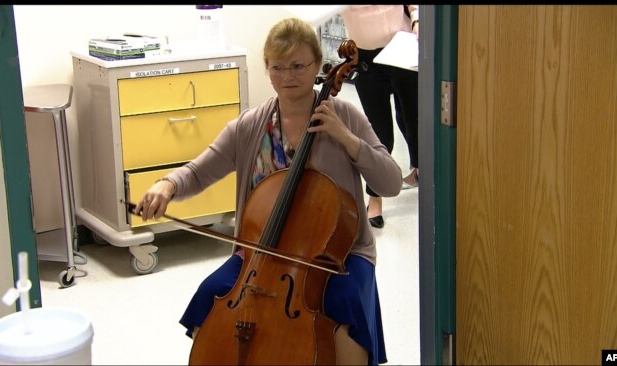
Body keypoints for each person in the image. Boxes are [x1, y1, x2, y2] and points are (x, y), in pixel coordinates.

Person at [134, 17, 402, 366]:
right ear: (267, 69)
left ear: (318, 66)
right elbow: (199, 170)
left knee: (344, 305)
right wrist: (167, 185)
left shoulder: (345, 117)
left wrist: (348, 140)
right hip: (260, 255)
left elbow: (391, 183)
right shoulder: (250, 126)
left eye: (297, 66)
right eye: (277, 67)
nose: (287, 77)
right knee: (211, 294)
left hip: (337, 255)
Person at [340, 5, 420, 229]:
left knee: (412, 119)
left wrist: (416, 20)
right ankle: (374, 199)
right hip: (366, 58)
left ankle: (419, 168)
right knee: (378, 132)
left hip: (403, 45)